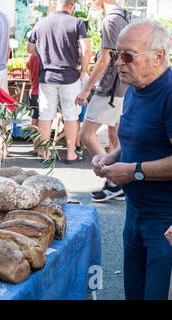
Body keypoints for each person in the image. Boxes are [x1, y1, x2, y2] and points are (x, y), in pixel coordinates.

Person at [91, 20, 172, 300]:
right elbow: (136, 141)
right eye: (115, 54)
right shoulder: (137, 87)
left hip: (164, 220)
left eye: (127, 56)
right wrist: (111, 157)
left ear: (158, 56)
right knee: (133, 293)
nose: (118, 63)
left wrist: (133, 172)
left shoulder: (169, 94)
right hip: (135, 213)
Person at [75, 0, 129, 202]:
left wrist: (87, 88)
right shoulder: (124, 15)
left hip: (110, 88)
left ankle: (114, 181)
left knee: (86, 134)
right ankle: (119, 182)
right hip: (122, 86)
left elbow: (106, 58)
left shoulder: (110, 19)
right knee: (115, 134)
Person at [27, 0, 91, 163]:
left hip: (46, 77)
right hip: (70, 77)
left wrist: (46, 54)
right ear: (72, 6)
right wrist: (83, 71)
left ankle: (45, 153)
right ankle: (71, 153)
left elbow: (30, 49)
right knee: (70, 114)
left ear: (56, 5)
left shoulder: (40, 24)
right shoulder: (76, 23)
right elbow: (86, 49)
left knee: (45, 115)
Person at [26, 53, 40, 157]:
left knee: (34, 119)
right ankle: (42, 148)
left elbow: (29, 74)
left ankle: (35, 147)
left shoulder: (32, 56)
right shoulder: (46, 54)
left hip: (33, 91)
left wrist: (33, 83)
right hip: (44, 92)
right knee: (44, 121)